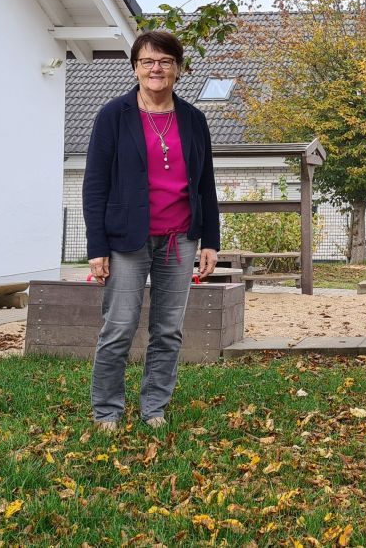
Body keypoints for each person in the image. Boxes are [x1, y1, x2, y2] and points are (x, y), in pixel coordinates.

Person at [83, 30, 220, 431]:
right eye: (147, 61)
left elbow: (205, 183)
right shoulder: (113, 115)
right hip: (126, 239)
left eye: (165, 61)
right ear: (135, 68)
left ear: (177, 69)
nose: (156, 68)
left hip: (180, 239)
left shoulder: (194, 119)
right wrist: (97, 246)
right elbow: (94, 185)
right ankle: (107, 410)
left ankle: (154, 408)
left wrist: (210, 239)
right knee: (119, 327)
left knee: (167, 330)